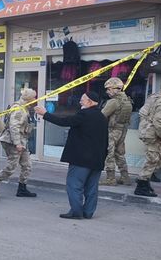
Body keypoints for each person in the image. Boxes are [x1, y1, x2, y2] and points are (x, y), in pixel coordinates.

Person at [35, 91, 109, 219]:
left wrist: (45, 114)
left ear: (90, 102)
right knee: (92, 188)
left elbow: (64, 121)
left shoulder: (84, 114)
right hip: (97, 159)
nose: (80, 101)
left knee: (74, 185)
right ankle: (88, 212)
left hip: (81, 159)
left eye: (83, 99)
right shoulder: (102, 117)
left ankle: (76, 212)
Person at [0, 88, 38, 197]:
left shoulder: (25, 107)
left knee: (27, 165)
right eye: (34, 97)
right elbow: (14, 127)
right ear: (29, 98)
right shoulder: (18, 108)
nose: (35, 99)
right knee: (11, 167)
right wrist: (17, 143)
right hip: (13, 141)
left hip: (22, 141)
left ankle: (22, 188)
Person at [100, 78, 133, 186]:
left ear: (115, 89)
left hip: (112, 131)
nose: (107, 92)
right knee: (120, 154)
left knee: (109, 154)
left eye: (108, 89)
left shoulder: (114, 101)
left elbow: (102, 115)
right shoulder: (127, 100)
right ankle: (125, 177)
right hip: (123, 130)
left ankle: (110, 179)